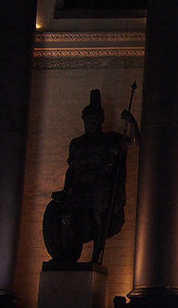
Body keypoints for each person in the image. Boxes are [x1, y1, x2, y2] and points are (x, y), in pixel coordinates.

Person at [42, 89, 138, 264]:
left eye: (94, 120)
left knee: (98, 220)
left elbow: (132, 142)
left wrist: (132, 122)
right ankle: (68, 253)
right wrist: (65, 190)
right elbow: (71, 170)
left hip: (100, 186)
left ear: (100, 121)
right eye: (88, 120)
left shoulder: (109, 139)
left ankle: (95, 258)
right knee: (66, 214)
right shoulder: (76, 143)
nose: (91, 124)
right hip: (79, 186)